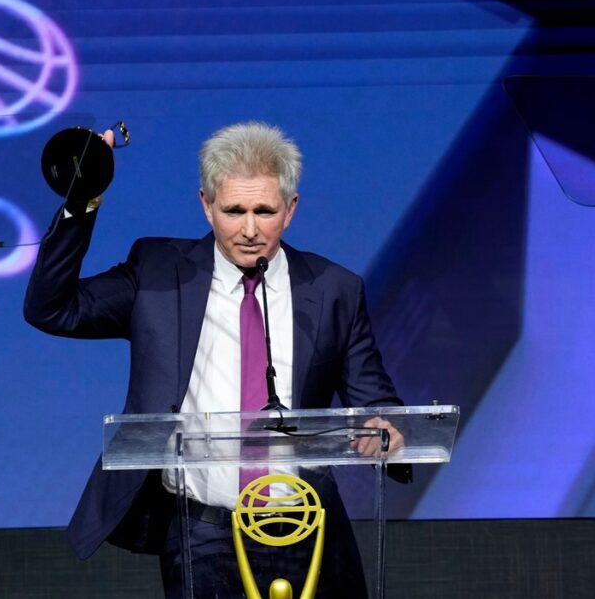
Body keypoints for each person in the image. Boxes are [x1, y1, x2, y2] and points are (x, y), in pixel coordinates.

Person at [24, 121, 407, 598]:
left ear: (290, 209)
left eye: (265, 211)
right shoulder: (159, 273)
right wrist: (83, 198)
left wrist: (386, 426)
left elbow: (376, 400)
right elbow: (52, 308)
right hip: (202, 529)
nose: (249, 230)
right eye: (233, 211)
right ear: (206, 205)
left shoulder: (333, 289)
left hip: (305, 525)